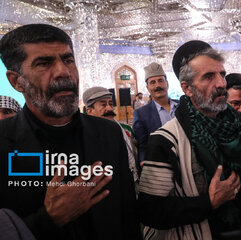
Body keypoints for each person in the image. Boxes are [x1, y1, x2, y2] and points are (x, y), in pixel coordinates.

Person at [0, 24, 141, 240]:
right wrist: (48, 219)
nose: (63, 72)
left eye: (67, 60)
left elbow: (127, 216)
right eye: (44, 63)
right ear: (16, 81)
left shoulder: (108, 132)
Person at [138, 40, 241, 240]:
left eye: (222, 75)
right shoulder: (166, 140)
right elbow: (151, 211)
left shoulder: (237, 127)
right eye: (208, 77)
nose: (220, 84)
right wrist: (208, 201)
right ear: (187, 88)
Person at [82, 86, 140, 195]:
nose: (109, 108)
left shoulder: (125, 129)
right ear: (89, 111)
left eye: (110, 104)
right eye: (103, 104)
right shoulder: (85, 136)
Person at [133, 62, 179, 164]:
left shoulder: (182, 106)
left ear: (167, 84)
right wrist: (144, 162)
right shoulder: (141, 114)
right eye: (152, 82)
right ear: (147, 88)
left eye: (160, 81)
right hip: (163, 163)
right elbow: (143, 145)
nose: (157, 85)